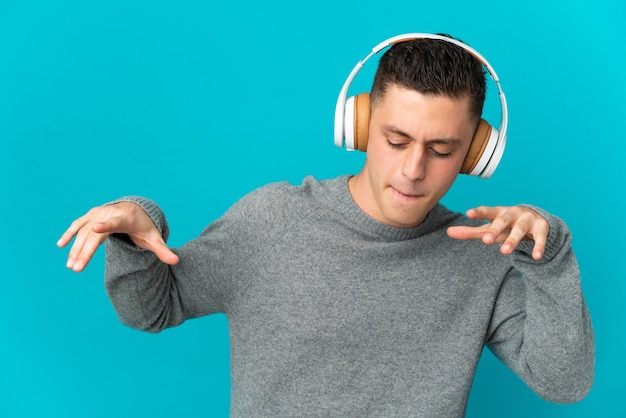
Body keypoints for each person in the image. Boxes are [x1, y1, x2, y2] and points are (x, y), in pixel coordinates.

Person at [57, 34, 594, 417]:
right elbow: (152, 308)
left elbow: (563, 384)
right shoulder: (272, 221)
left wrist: (549, 258)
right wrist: (135, 231)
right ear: (359, 126)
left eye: (442, 149)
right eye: (397, 140)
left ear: (477, 152)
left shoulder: (480, 256)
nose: (412, 170)